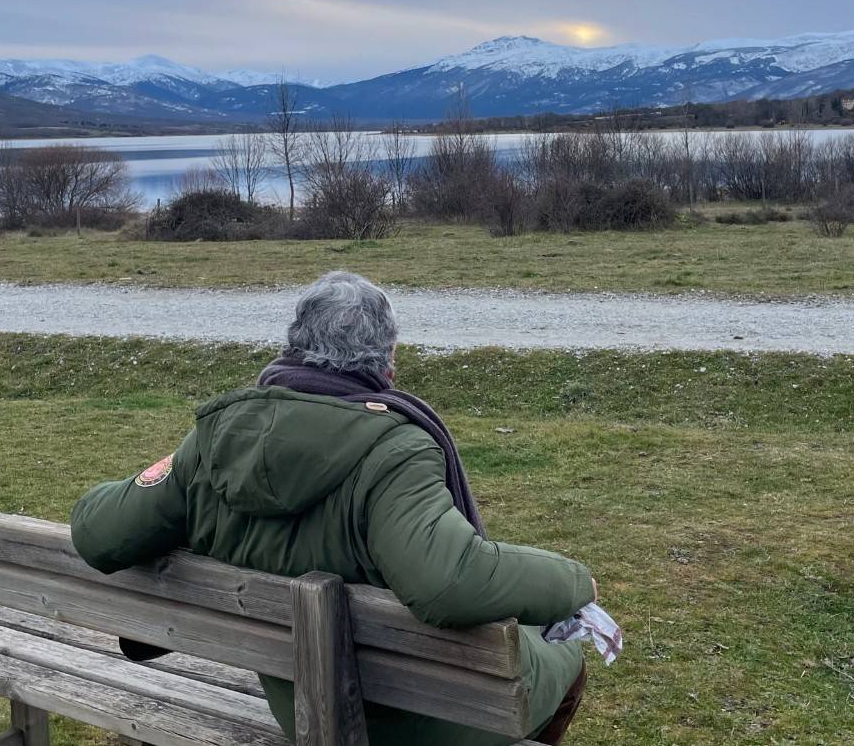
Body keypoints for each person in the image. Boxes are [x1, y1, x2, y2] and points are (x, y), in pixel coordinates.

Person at [70, 270, 596, 745]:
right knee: (567, 659)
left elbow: (98, 531)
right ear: (386, 359)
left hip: (295, 698)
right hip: (406, 714)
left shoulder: (213, 440)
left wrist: (171, 471)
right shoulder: (394, 450)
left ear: (294, 344)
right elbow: (449, 582)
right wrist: (575, 582)